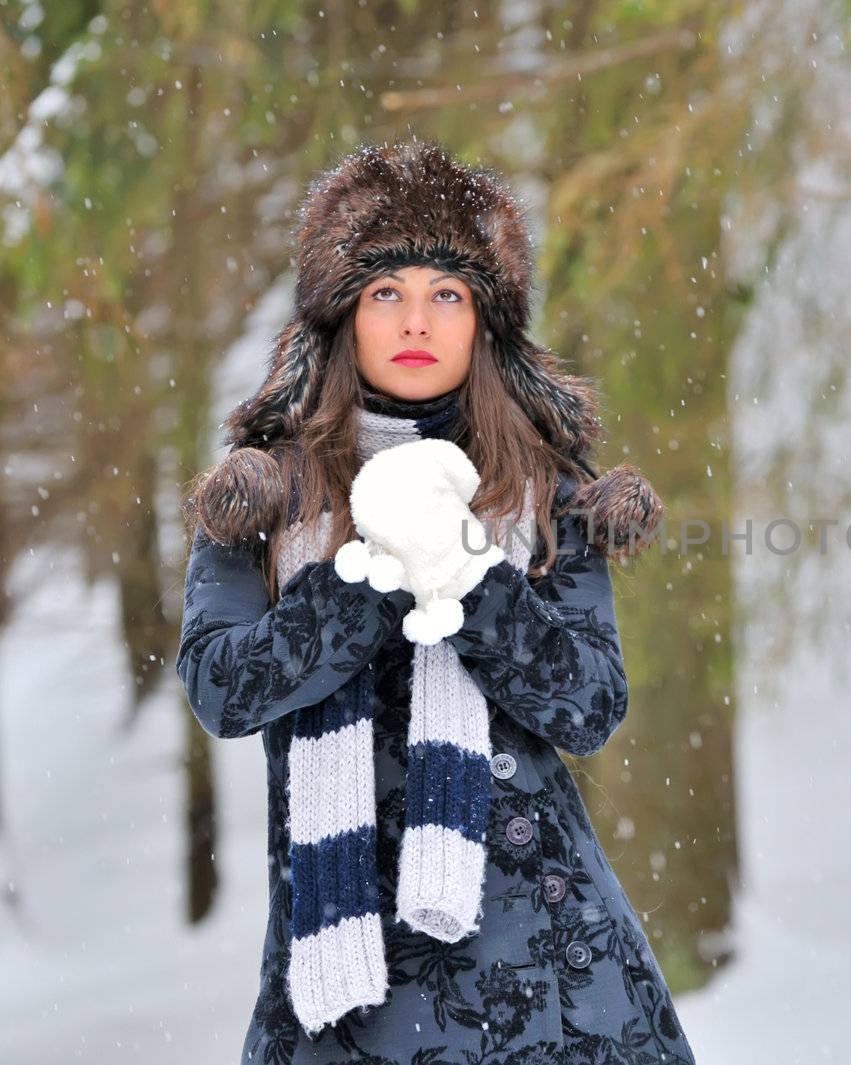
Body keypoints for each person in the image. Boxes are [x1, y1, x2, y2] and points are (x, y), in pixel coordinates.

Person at [175, 139, 696, 1065]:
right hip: (348, 985)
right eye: (386, 293)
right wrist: (367, 575)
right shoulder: (262, 501)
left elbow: (588, 704)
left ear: (483, 324)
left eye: (447, 294)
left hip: (553, 985)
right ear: (343, 318)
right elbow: (223, 688)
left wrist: (463, 571)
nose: (417, 318)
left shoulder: (546, 495)